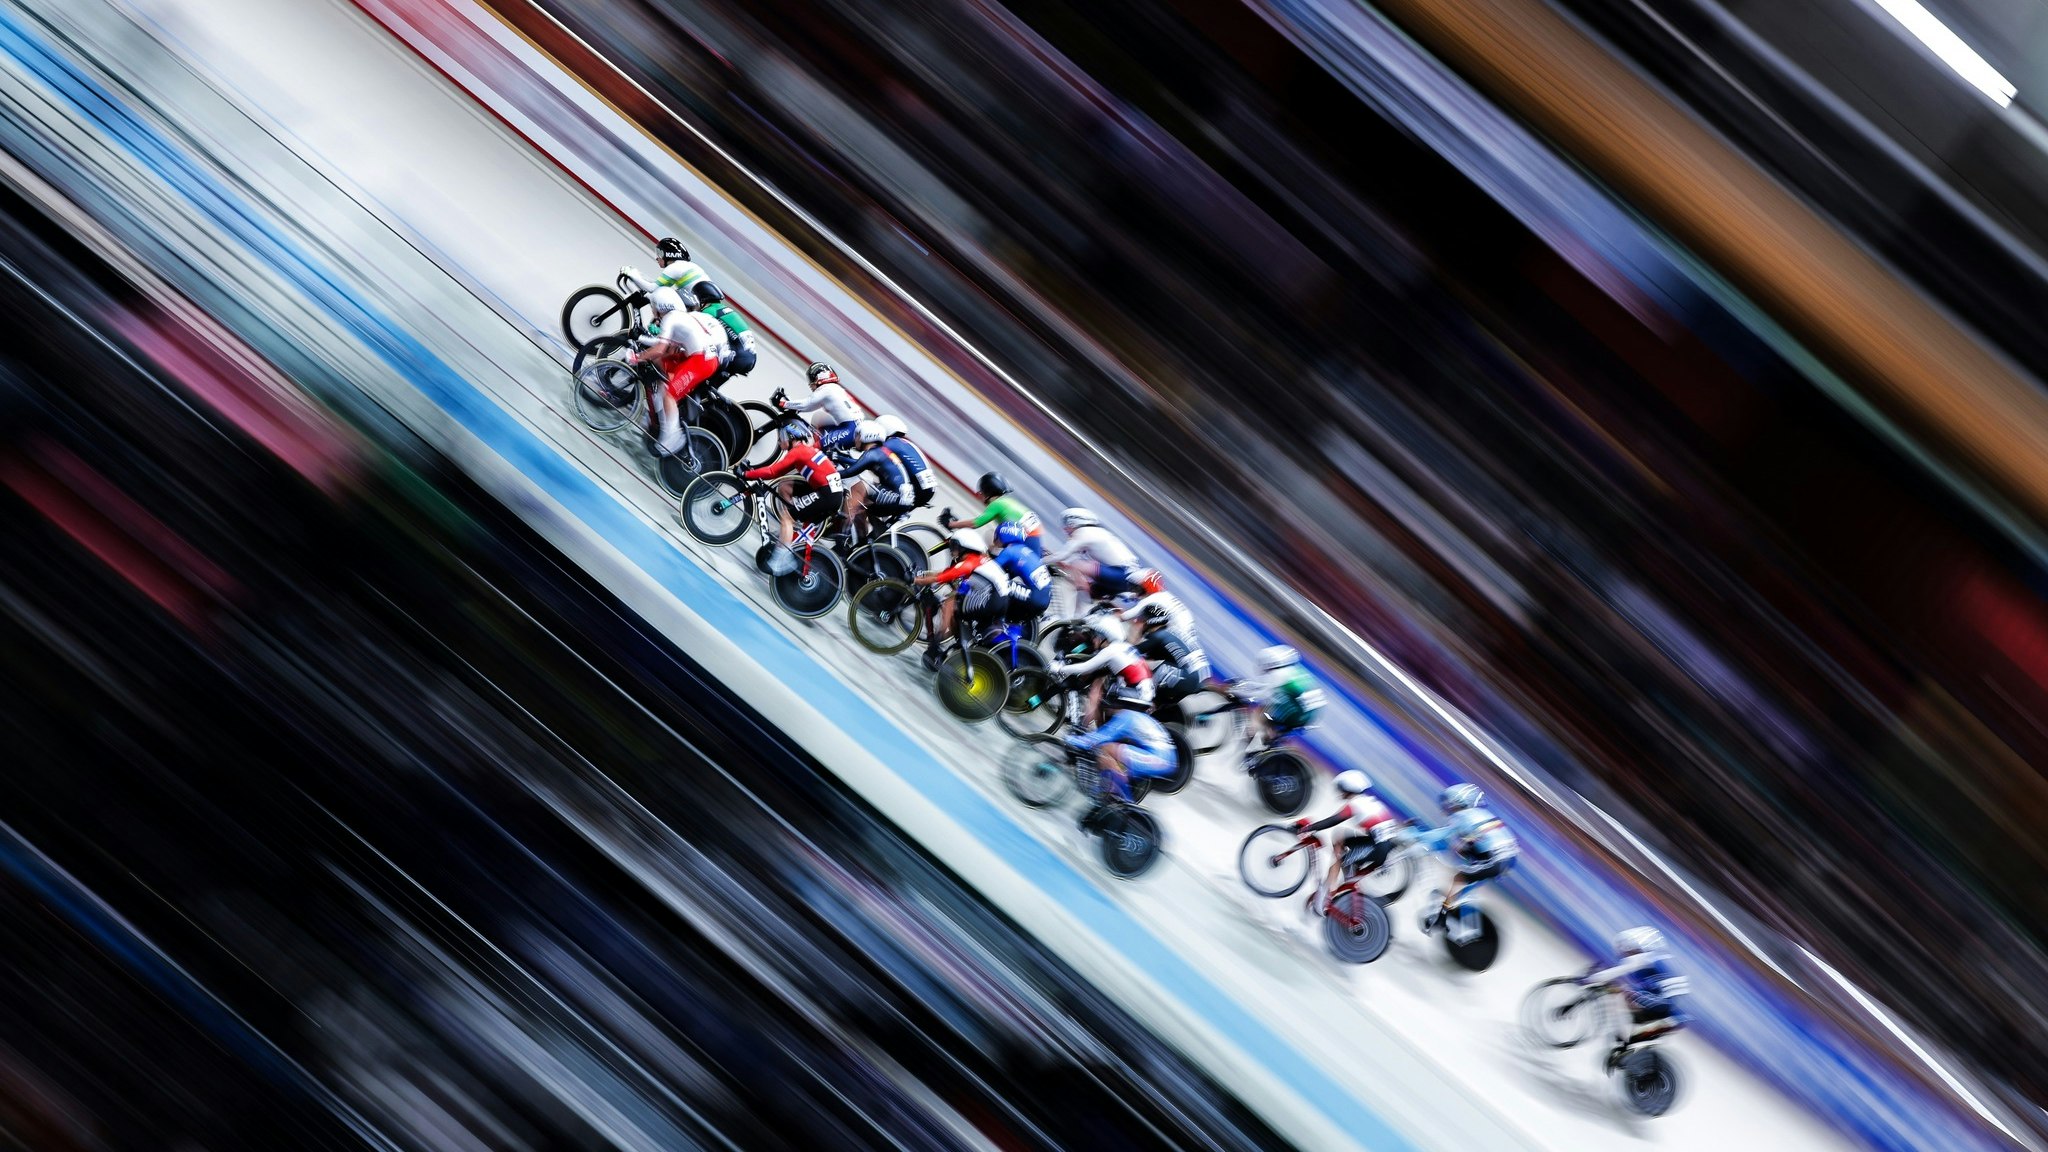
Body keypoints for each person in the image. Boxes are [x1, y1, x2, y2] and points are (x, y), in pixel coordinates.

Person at [628, 287, 731, 455]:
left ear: (660, 307)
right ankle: (659, 414)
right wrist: (641, 341)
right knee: (659, 363)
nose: (652, 312)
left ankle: (673, 437)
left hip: (702, 360)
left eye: (653, 307)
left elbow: (659, 348)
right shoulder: (680, 318)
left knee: (670, 394)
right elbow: (665, 348)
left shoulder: (670, 319)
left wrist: (636, 357)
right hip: (700, 356)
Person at [1061, 692, 1178, 831]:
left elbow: (1097, 739)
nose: (1108, 708)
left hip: (1160, 758)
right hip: (1163, 757)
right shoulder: (1135, 716)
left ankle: (1126, 804)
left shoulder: (1126, 716)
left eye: (1111, 704)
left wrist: (1071, 739)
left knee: (1106, 750)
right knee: (1108, 756)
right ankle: (1108, 802)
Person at [740, 420, 843, 575]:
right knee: (785, 486)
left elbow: (772, 472)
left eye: (781, 437)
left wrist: (746, 474)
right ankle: (787, 537)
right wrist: (753, 471)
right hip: (830, 493)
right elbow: (778, 472)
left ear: (790, 437)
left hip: (827, 495)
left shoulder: (797, 452)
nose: (779, 441)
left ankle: (781, 559)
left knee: (787, 518)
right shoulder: (804, 450)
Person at [1291, 769, 1400, 916]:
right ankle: (1348, 875)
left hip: (1378, 848)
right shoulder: (1370, 802)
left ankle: (1323, 897)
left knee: (1339, 857)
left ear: (1349, 788)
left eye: (1341, 788)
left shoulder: (1355, 804)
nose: (1339, 792)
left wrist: (1308, 828)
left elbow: (1333, 821)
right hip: (1382, 846)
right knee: (1340, 837)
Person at [1414, 783, 1519, 935]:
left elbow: (1444, 836)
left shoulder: (1463, 815)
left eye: (1450, 805)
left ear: (1461, 803)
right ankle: (1456, 907)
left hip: (1496, 859)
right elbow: (1465, 846)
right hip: (1507, 859)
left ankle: (1442, 918)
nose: (1447, 809)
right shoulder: (1481, 814)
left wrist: (1419, 835)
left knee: (1459, 878)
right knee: (1465, 876)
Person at [1580, 927, 1693, 1065]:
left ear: (1639, 947)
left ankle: (1623, 1044)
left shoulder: (1643, 958)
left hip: (1661, 1006)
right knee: (1626, 996)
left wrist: (1588, 979)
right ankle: (1625, 1046)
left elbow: (1614, 973)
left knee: (1620, 993)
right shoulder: (1657, 960)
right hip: (1670, 1011)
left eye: (1628, 949)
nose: (1624, 953)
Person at [911, 528, 1015, 669]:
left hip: (993, 598)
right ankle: (959, 645)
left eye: (955, 547)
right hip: (998, 599)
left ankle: (936, 643)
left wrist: (915, 580)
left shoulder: (969, 562)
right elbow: (945, 573)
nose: (952, 551)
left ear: (966, 548)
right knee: (957, 607)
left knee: (950, 603)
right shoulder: (978, 559)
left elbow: (940, 578)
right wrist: (923, 575)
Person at [1048, 615, 1154, 729]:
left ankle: (1081, 730)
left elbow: (1085, 668)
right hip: (1144, 693)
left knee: (1098, 697)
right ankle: (1092, 730)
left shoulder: (1110, 651)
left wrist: (1060, 668)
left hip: (1137, 694)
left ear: (1103, 637)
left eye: (1095, 635)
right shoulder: (1122, 646)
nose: (1093, 639)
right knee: (1099, 692)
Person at [1125, 591, 1208, 717]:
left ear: (1150, 621)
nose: (1140, 623)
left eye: (1143, 620)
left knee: (1138, 671)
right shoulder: (1171, 632)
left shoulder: (1157, 635)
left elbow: (1130, 652)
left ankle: (1138, 708)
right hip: (1195, 679)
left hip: (1185, 676)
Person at [1233, 645, 1325, 751]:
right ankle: (1273, 745)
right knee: (1273, 718)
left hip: (1299, 711)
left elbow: (1261, 694)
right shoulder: (1293, 671)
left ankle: (1246, 745)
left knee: (1260, 714)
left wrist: (1237, 692)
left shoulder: (1279, 674)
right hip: (1312, 714)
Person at [837, 421, 916, 542]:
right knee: (863, 504)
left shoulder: (873, 453)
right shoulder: (880, 451)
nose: (855, 439)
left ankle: (843, 534)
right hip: (904, 497)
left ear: (867, 436)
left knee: (858, 490)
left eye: (858, 435)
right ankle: (862, 540)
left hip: (899, 496)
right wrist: (839, 457)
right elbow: (858, 464)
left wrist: (830, 473)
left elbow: (851, 471)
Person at [1044, 508, 1143, 600]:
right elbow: (1070, 558)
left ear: (1073, 523)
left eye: (1066, 525)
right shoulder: (1098, 532)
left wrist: (1040, 561)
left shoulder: (1084, 532)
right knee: (1089, 592)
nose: (1065, 529)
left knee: (1076, 564)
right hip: (1127, 578)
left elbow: (1062, 556)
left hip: (1121, 574)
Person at [946, 472, 1044, 554]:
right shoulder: (1006, 501)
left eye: (981, 493)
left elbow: (975, 524)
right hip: (1031, 533)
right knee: (993, 545)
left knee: (996, 554)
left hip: (1029, 535)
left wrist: (950, 524)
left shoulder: (997, 504)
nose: (979, 496)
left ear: (987, 492)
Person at [782, 363, 864, 455]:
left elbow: (807, 404)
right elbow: (811, 406)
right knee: (818, 417)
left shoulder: (826, 389)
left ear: (820, 377)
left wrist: (783, 403)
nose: (810, 384)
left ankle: (815, 448)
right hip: (852, 426)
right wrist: (792, 406)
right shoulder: (834, 388)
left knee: (812, 451)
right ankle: (814, 442)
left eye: (812, 379)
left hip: (850, 430)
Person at [621, 237, 719, 307]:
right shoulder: (688, 265)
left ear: (668, 254)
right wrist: (640, 275)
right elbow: (660, 285)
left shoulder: (674, 267)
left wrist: (631, 274)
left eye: (659, 253)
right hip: (705, 304)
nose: (657, 258)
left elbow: (652, 288)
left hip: (701, 306)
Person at [992, 521, 1053, 632]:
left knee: (1000, 584)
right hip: (1044, 599)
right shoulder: (1024, 550)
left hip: (1035, 597)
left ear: (1003, 535)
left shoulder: (1010, 551)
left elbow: (990, 569)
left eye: (996, 536)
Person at [875, 415, 938, 508]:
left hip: (918, 488)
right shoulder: (903, 443)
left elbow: (871, 457)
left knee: (866, 492)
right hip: (927, 489)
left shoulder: (891, 444)